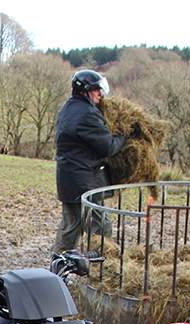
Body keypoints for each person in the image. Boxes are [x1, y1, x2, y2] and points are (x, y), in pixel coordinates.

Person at [54, 70, 125, 253]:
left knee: (70, 227)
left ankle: (58, 269)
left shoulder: (68, 108)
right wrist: (124, 137)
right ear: (85, 91)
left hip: (68, 179)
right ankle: (98, 268)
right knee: (101, 228)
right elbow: (108, 147)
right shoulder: (87, 114)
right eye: (96, 90)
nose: (100, 94)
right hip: (86, 181)